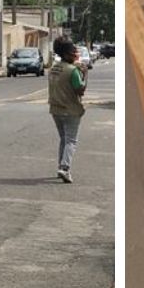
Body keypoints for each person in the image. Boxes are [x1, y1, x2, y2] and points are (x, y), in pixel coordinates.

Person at [47, 35, 86, 183]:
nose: (76, 53)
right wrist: (84, 74)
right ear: (67, 53)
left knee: (63, 139)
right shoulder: (72, 71)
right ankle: (65, 167)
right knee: (71, 140)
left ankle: (60, 167)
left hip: (55, 110)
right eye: (73, 50)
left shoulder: (53, 68)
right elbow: (80, 90)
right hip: (70, 110)